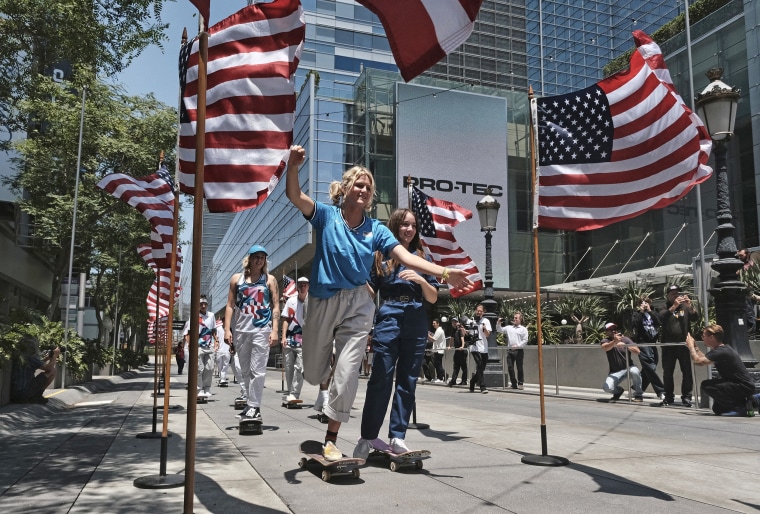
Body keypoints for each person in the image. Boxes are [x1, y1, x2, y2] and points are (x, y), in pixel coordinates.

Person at [285, 145, 473, 461]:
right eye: (359, 184)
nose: (364, 190)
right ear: (345, 189)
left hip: (358, 304)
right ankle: (320, 382)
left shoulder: (377, 230)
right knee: (316, 368)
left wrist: (443, 271)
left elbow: (404, 255)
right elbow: (295, 196)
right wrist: (292, 166)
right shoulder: (325, 215)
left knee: (346, 374)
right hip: (325, 300)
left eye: (368, 188)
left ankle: (331, 439)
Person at [353, 208, 440, 458]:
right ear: (395, 226)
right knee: (380, 377)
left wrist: (422, 280)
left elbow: (433, 298)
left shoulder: (423, 258)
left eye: (413, 225)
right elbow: (370, 289)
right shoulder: (381, 257)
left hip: (415, 318)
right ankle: (368, 436)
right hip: (389, 317)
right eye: (404, 225)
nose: (409, 229)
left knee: (407, 382)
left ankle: (397, 436)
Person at [224, 244, 280, 424]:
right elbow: (230, 305)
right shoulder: (236, 279)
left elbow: (276, 306)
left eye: (262, 257)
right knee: (244, 370)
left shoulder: (269, 280)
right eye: (256, 256)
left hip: (262, 330)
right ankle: (250, 404)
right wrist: (227, 330)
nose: (259, 260)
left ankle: (254, 406)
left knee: (258, 370)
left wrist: (275, 330)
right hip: (241, 330)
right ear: (249, 259)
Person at [686, 324, 759, 416]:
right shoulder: (720, 350)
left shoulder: (722, 351)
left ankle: (740, 407)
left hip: (743, 386)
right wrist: (695, 347)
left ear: (711, 337)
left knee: (706, 385)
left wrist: (691, 347)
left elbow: (698, 361)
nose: (702, 338)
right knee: (718, 409)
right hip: (738, 385)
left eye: (704, 336)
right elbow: (703, 358)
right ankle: (751, 400)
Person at [659, 285, 695, 407]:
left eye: (677, 293)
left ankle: (687, 397)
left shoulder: (684, 306)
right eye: (672, 294)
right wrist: (673, 306)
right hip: (668, 346)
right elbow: (661, 318)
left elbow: (695, 318)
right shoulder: (664, 306)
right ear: (668, 295)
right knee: (668, 373)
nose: (676, 295)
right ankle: (669, 397)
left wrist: (690, 306)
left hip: (683, 345)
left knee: (687, 372)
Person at [182, 296, 219, 399]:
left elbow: (213, 330)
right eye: (201, 304)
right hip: (198, 345)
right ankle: (199, 389)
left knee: (210, 368)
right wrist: (190, 345)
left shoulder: (211, 315)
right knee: (199, 368)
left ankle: (207, 388)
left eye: (205, 304)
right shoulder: (194, 316)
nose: (203, 306)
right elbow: (188, 332)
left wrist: (216, 341)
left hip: (209, 345)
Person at [280, 276, 309, 402]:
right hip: (290, 339)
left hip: (305, 340)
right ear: (297, 287)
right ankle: (290, 391)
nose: (303, 287)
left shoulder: (312, 301)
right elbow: (286, 319)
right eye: (301, 285)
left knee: (300, 367)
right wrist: (283, 337)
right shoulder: (291, 301)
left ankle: (295, 393)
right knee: (289, 366)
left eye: (305, 285)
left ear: (308, 287)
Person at [631, 297, 665, 400]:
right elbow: (634, 325)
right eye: (642, 303)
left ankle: (637, 389)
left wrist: (650, 311)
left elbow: (659, 322)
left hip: (653, 343)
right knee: (649, 367)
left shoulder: (653, 313)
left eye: (646, 302)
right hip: (643, 343)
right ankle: (661, 391)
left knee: (651, 367)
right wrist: (641, 312)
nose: (644, 304)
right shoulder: (636, 314)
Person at [600, 323, 643, 402]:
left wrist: (625, 345)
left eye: (614, 329)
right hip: (615, 371)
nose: (613, 331)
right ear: (606, 332)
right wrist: (614, 342)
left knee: (635, 371)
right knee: (607, 388)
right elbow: (605, 348)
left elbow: (637, 351)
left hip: (628, 368)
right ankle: (618, 391)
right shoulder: (606, 340)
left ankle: (638, 394)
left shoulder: (625, 339)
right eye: (610, 329)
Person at [10, 338, 59, 404]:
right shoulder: (29, 357)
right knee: (52, 371)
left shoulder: (19, 356)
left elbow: (35, 366)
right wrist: (55, 356)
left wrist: (46, 359)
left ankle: (32, 397)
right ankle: (37, 396)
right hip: (25, 393)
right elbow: (49, 369)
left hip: (15, 395)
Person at [496, 312, 528, 390]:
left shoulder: (523, 329)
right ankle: (513, 383)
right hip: (510, 351)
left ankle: (520, 383)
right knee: (510, 367)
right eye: (514, 318)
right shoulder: (509, 327)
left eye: (516, 318)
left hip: (519, 351)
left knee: (519, 367)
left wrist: (518, 346)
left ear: (520, 319)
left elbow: (525, 340)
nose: (514, 319)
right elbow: (499, 330)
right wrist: (498, 323)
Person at [469, 304, 492, 394]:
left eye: (480, 311)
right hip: (474, 347)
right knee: (479, 365)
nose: (478, 312)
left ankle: (472, 381)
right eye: (477, 310)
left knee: (481, 368)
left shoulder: (486, 321)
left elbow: (487, 335)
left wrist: (485, 329)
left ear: (483, 312)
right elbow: (469, 334)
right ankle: (482, 387)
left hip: (484, 347)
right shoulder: (472, 321)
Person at [447, 317, 468, 387]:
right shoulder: (453, 330)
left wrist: (462, 346)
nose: (454, 323)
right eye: (453, 322)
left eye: (455, 322)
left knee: (463, 366)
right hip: (457, 350)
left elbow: (462, 338)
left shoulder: (460, 329)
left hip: (462, 350)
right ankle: (453, 380)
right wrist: (449, 346)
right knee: (456, 366)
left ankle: (464, 381)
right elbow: (451, 338)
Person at [428, 319, 447, 383]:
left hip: (439, 350)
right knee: (437, 364)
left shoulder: (439, 331)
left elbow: (433, 339)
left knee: (438, 364)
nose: (433, 324)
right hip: (437, 350)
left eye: (434, 323)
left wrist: (428, 335)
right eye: (433, 323)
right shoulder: (437, 330)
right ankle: (440, 377)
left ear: (438, 323)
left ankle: (443, 375)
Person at [216, 321, 231, 386]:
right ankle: (221, 378)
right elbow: (216, 338)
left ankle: (223, 379)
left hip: (227, 350)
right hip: (219, 350)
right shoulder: (218, 329)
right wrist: (215, 346)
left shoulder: (229, 329)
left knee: (225, 365)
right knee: (220, 366)